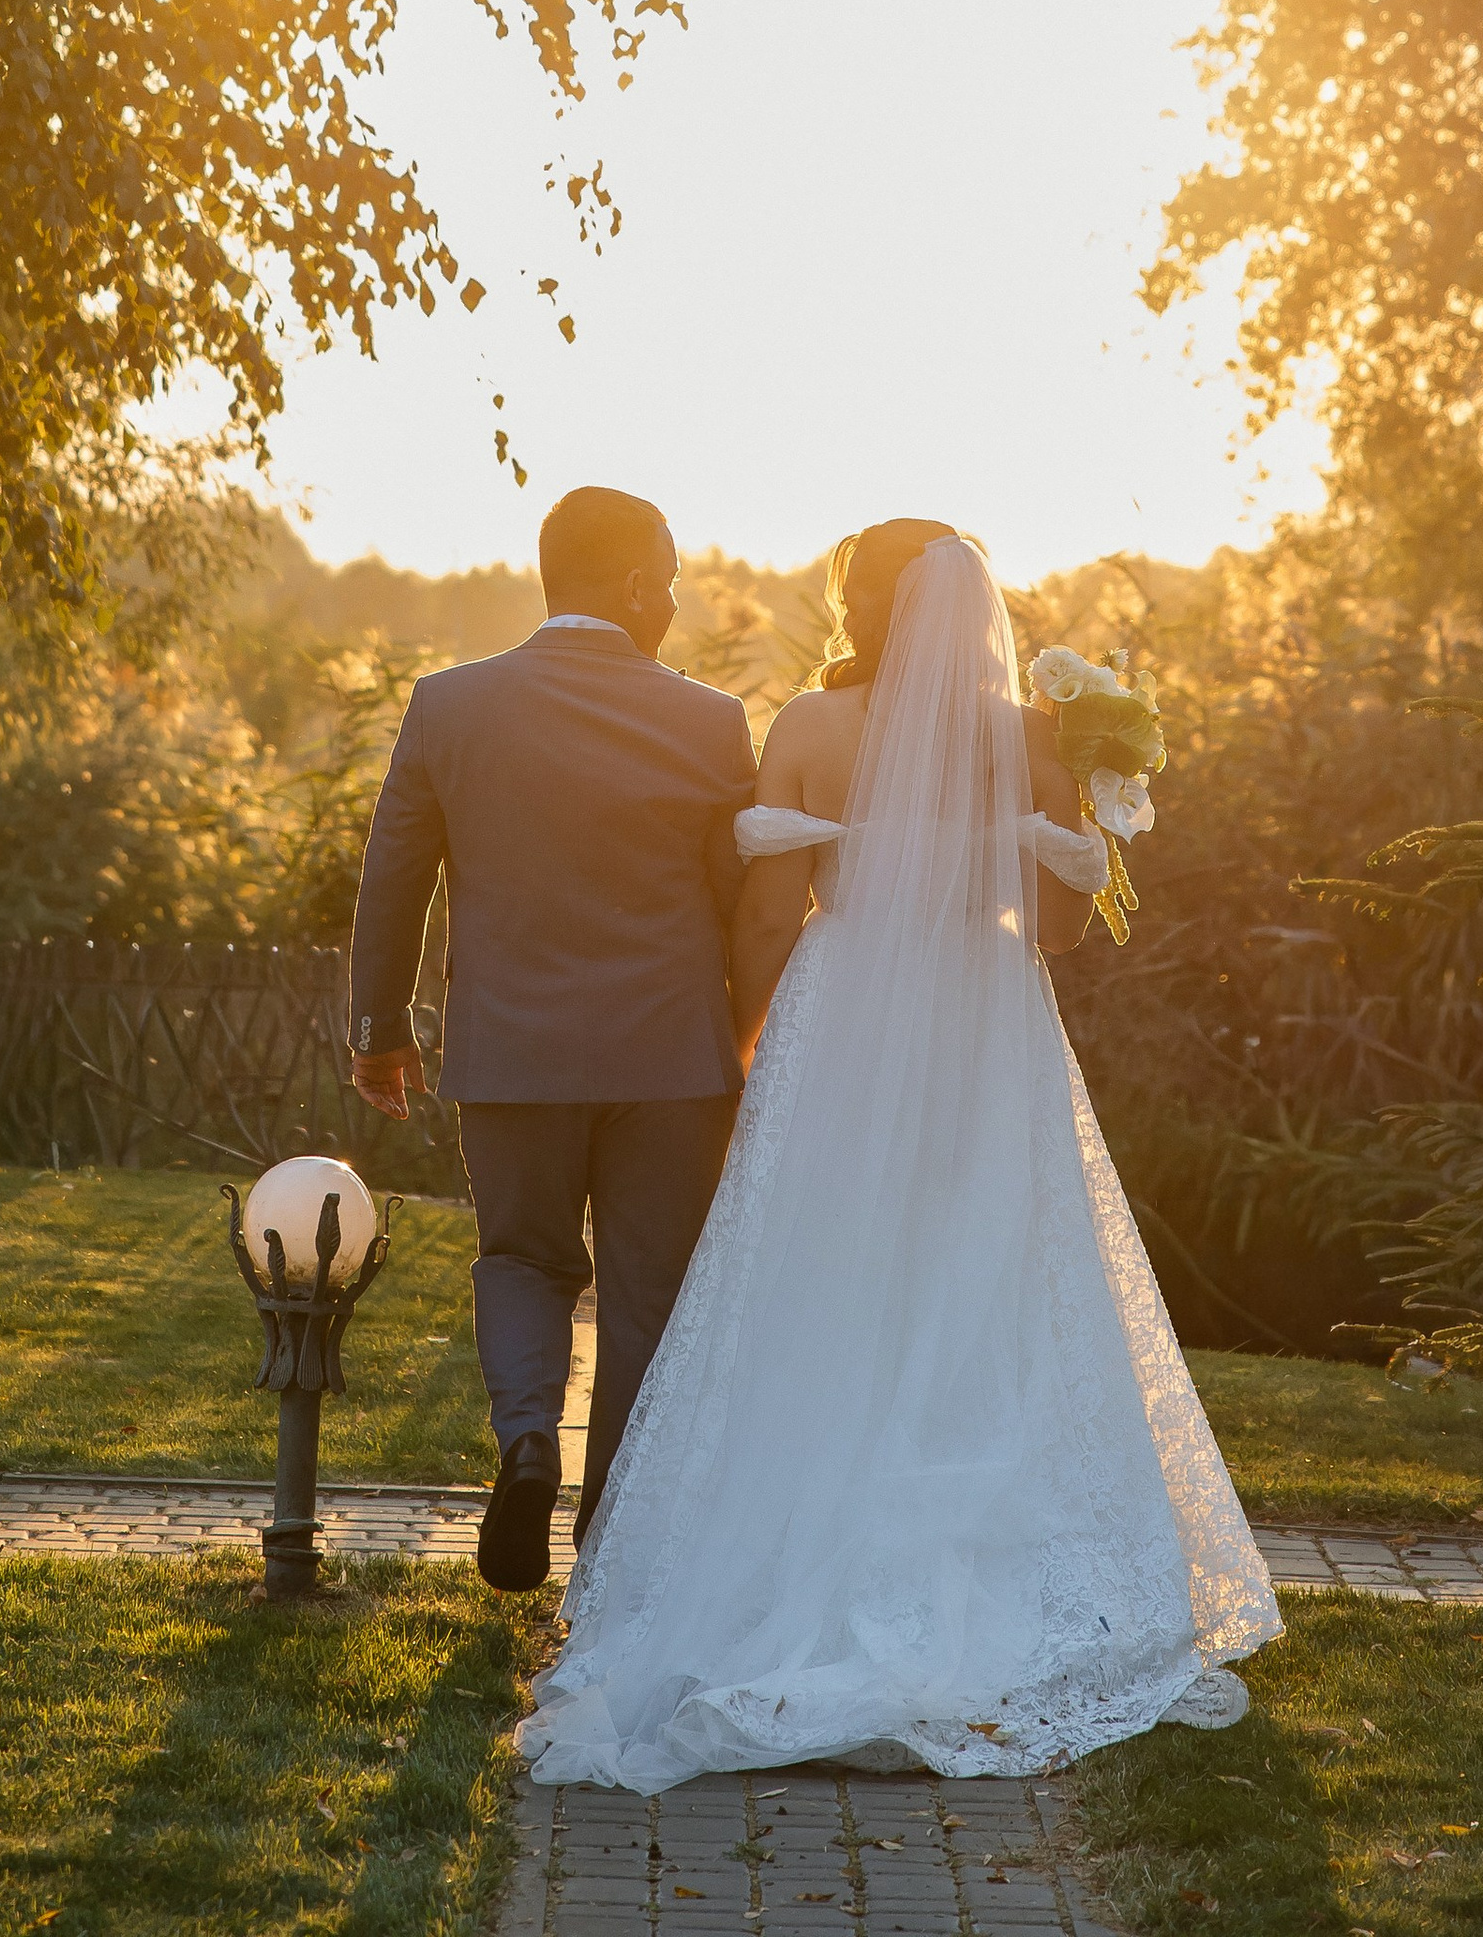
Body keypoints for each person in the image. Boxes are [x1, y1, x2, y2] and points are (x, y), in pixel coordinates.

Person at [517, 519, 1279, 1787]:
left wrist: (747, 1040)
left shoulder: (810, 731)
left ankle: (794, 1556)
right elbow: (1058, 930)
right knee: (983, 1278)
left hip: (848, 1015)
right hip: (984, 1021)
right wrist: (1081, 804)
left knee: (825, 1278)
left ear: (861, 606)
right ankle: (978, 1561)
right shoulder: (1035, 737)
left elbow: (770, 912)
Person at [347, 481, 756, 1589]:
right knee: (648, 1292)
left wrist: (380, 1030)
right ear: (633, 585)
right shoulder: (710, 720)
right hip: (672, 1065)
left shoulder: (449, 706)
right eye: (669, 581)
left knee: (522, 1259)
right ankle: (609, 1535)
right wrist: (753, 1035)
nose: (674, 601)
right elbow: (741, 903)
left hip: (513, 1053)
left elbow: (394, 876)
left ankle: (528, 1442)